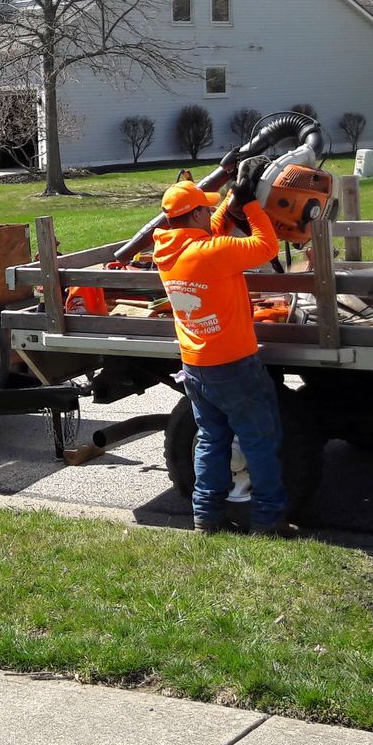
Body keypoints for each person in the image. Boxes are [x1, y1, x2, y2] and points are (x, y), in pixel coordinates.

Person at [152, 155, 296, 537]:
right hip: (233, 365)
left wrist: (232, 199)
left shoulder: (169, 251)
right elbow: (266, 246)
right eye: (206, 209)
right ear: (196, 216)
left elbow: (208, 235)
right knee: (259, 441)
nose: (210, 214)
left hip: (196, 366)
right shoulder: (210, 253)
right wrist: (248, 202)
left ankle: (206, 518)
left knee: (211, 441)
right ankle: (268, 521)